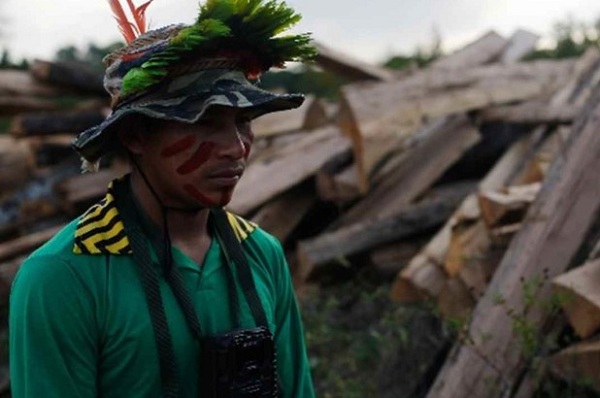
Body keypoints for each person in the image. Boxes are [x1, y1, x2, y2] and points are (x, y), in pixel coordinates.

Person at [9, 0, 316, 397]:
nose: (236, 147)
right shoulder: (64, 276)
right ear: (136, 136)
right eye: (205, 121)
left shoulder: (261, 253)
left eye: (243, 121)